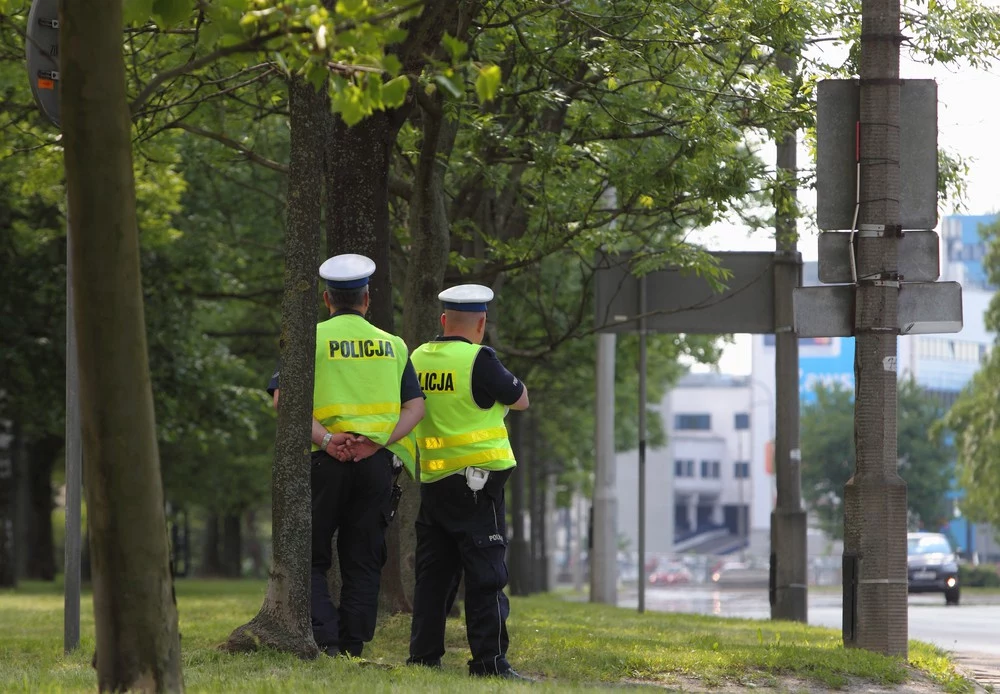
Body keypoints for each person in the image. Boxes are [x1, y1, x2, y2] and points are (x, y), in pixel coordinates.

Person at [267, 253, 424, 658]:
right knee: (363, 557)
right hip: (374, 466)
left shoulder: (309, 339)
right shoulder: (394, 346)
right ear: (367, 299)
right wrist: (375, 442)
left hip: (324, 463)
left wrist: (326, 440)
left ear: (326, 299)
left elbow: (283, 400)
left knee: (313, 554)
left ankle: (326, 638)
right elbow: (415, 408)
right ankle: (354, 645)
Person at [406, 284, 532, 680]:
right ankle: (489, 663)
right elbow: (521, 398)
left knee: (433, 575)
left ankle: (424, 657)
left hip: (434, 481)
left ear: (444, 321)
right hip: (478, 487)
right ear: (481, 324)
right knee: (486, 574)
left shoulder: (417, 357)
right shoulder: (480, 359)